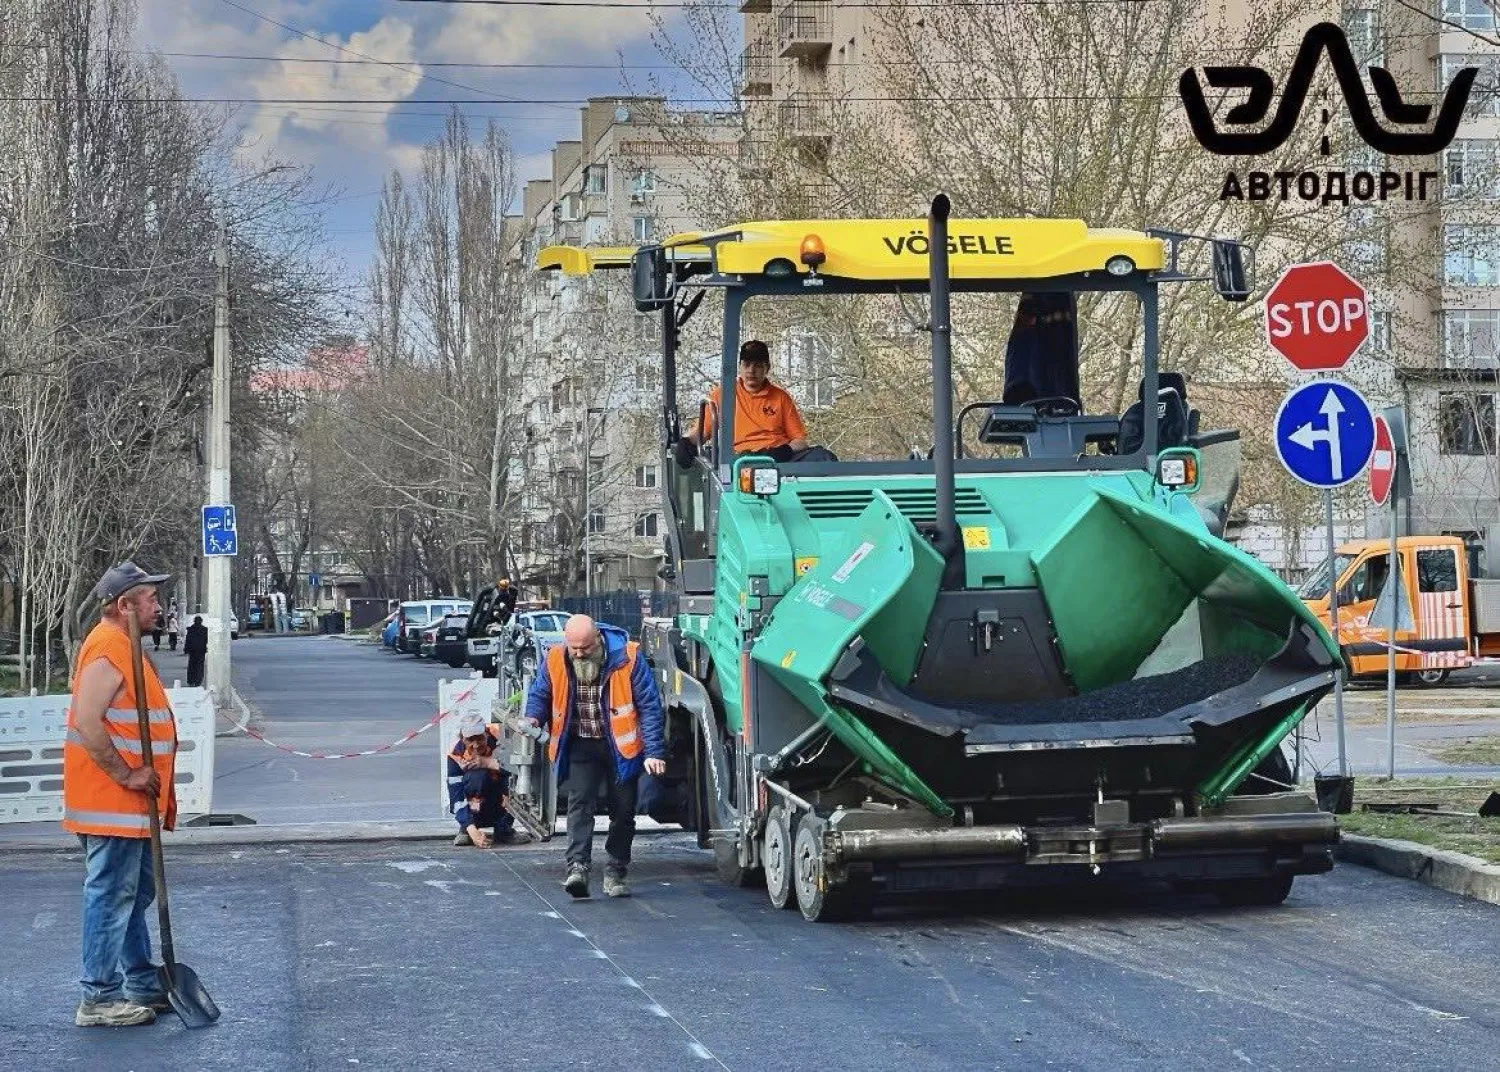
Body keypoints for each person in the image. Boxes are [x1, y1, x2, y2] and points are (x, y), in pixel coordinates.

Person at [62, 561, 178, 1027]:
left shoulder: (124, 646)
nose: (158, 606)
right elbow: (88, 723)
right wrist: (127, 774)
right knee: (111, 896)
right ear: (124, 604)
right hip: (111, 802)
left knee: (132, 893)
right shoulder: (109, 648)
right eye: (151, 598)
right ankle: (99, 997)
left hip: (126, 807)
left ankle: (142, 982)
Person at [525, 614, 665, 899]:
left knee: (623, 811)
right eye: (573, 648)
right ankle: (577, 868)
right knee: (580, 804)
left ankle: (615, 870)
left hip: (621, 749)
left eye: (584, 648)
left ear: (597, 640)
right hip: (580, 744)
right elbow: (541, 693)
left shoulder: (628, 658)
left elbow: (650, 706)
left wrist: (653, 752)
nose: (578, 654)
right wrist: (534, 718)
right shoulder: (555, 658)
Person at [676, 339, 836, 465]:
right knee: (718, 461)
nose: (751, 370)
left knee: (824, 457)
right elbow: (702, 432)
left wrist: (783, 451)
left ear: (767, 368)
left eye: (758, 366)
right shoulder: (722, 394)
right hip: (740, 459)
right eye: (747, 364)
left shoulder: (781, 397)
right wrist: (686, 443)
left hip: (778, 459)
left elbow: (799, 441)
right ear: (739, 367)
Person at [446, 712, 518, 847]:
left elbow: (518, 770)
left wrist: (488, 763)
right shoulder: (455, 753)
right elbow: (455, 795)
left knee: (514, 782)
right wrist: (470, 827)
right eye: (470, 740)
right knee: (477, 777)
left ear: (486, 733)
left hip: (498, 794)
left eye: (479, 738)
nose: (476, 745)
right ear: (462, 739)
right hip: (475, 800)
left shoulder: (501, 738)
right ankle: (468, 829)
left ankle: (504, 829)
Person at [184, 615, 207, 688]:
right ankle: (198, 681)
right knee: (200, 666)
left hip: (192, 650)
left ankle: (191, 680)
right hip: (201, 650)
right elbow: (206, 640)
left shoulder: (191, 629)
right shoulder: (204, 629)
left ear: (194, 621)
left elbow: (188, 640)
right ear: (201, 621)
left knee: (191, 666)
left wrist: (186, 649)